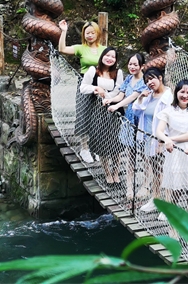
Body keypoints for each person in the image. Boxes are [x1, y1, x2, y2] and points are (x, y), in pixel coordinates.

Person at [155, 79, 188, 222]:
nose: (185, 95)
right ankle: (172, 212)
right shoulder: (167, 111)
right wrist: (166, 139)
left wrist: (170, 139)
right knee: (176, 186)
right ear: (176, 93)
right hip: (175, 152)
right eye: (182, 92)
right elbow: (159, 131)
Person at [102, 53, 147, 202]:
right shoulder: (128, 78)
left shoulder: (145, 80)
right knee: (130, 154)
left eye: (135, 64)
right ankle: (129, 188)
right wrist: (109, 100)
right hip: (129, 119)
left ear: (142, 66)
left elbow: (132, 97)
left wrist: (116, 106)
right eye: (130, 64)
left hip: (141, 120)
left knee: (145, 156)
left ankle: (145, 185)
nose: (132, 67)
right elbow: (120, 96)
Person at [58, 19, 103, 163]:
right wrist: (64, 31)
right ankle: (84, 148)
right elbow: (62, 49)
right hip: (84, 82)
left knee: (98, 116)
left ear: (97, 33)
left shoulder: (104, 49)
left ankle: (96, 148)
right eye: (87, 33)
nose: (90, 35)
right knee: (84, 113)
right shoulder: (81, 48)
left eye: (92, 33)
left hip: (101, 83)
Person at [80, 47, 124, 184]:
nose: (110, 58)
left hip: (114, 110)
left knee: (116, 143)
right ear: (102, 56)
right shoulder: (93, 70)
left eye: (113, 57)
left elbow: (119, 90)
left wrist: (106, 97)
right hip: (98, 111)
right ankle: (107, 173)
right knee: (102, 143)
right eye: (107, 55)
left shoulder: (118, 73)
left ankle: (115, 172)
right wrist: (96, 88)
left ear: (116, 60)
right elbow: (83, 87)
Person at [132, 67, 173, 211]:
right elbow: (136, 110)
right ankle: (155, 199)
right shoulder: (149, 95)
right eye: (147, 80)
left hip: (162, 141)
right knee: (156, 171)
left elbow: (171, 121)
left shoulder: (169, 97)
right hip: (149, 139)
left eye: (152, 78)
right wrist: (141, 97)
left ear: (160, 78)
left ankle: (167, 205)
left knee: (165, 172)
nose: (149, 82)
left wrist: (163, 141)